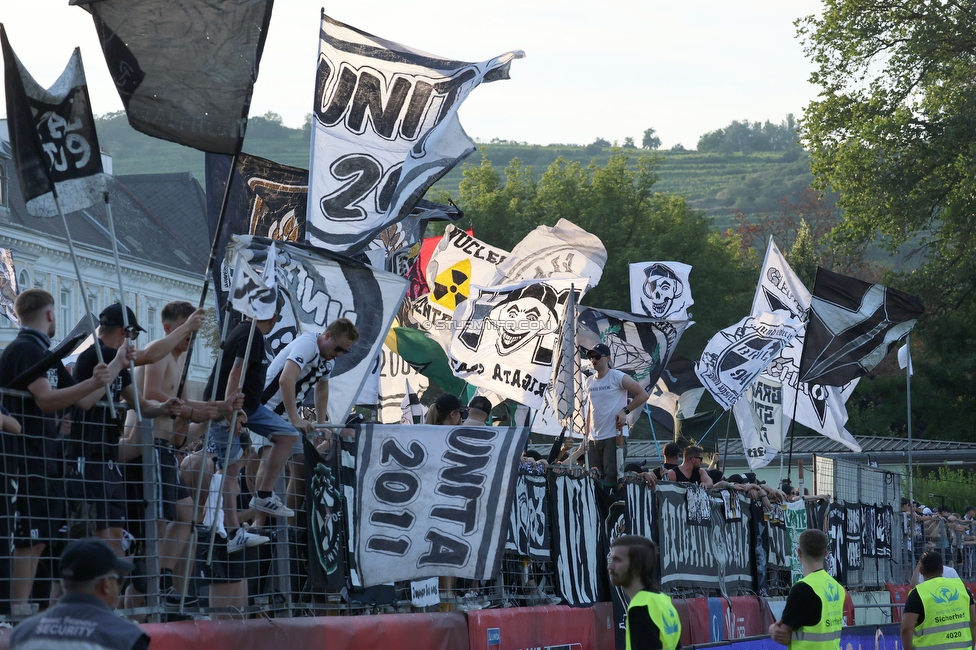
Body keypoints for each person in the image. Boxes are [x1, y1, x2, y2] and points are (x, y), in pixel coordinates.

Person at [0, 289, 133, 616]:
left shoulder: (44, 353)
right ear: (49, 315)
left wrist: (108, 372)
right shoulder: (26, 349)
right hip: (24, 458)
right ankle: (16, 612)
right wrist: (92, 382)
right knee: (29, 538)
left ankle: (28, 608)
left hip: (43, 457)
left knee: (40, 540)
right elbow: (47, 398)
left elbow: (77, 400)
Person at [71, 303, 187, 558]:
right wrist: (187, 327)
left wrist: (164, 406)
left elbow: (143, 405)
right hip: (87, 456)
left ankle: (109, 591)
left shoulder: (117, 363)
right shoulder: (95, 356)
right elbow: (86, 400)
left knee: (115, 538)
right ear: (126, 332)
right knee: (97, 540)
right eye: (133, 336)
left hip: (109, 458)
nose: (133, 342)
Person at [252, 317, 359, 522]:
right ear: (327, 336)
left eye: (345, 351)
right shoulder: (307, 345)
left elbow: (322, 388)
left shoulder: (329, 357)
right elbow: (286, 379)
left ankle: (288, 527)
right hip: (265, 410)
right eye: (338, 349)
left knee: (301, 466)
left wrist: (320, 423)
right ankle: (259, 524)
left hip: (287, 416)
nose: (339, 355)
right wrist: (295, 418)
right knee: (267, 461)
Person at [9, 538, 149, 650]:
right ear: (105, 585)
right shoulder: (126, 637)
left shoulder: (22, 633)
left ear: (63, 584)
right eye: (118, 579)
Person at [583, 343, 649, 486]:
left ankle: (613, 506)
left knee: (611, 480)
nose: (593, 360)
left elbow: (643, 395)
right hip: (594, 439)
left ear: (607, 358)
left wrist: (625, 411)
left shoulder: (617, 376)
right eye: (591, 357)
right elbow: (590, 410)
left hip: (614, 436)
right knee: (593, 479)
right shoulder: (589, 381)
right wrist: (586, 436)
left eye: (597, 356)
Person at [769, 529, 845, 650]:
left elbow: (783, 636)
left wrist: (772, 629)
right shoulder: (838, 588)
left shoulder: (802, 589)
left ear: (799, 553)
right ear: (825, 553)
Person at [607, 535, 681, 650]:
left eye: (617, 560)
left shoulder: (640, 607)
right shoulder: (663, 601)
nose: (610, 566)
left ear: (636, 566)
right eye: (610, 559)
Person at [901, 551, 976, 650]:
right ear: (942, 569)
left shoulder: (918, 594)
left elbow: (906, 629)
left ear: (921, 570)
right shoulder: (963, 590)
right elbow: (973, 623)